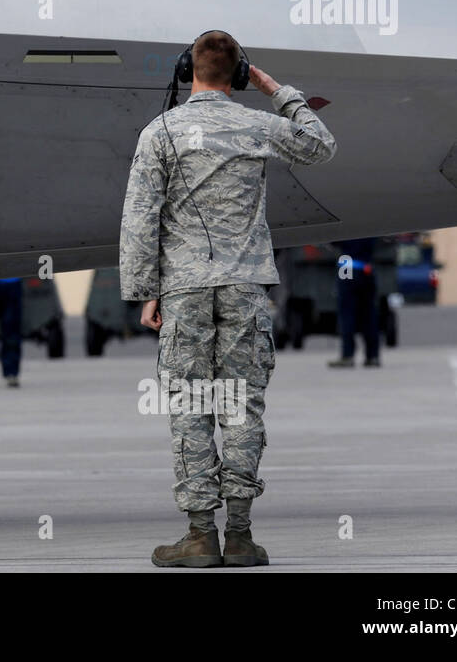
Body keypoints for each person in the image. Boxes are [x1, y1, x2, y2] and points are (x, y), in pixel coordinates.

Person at [120, 31, 336, 568]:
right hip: (245, 289)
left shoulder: (160, 132)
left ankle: (198, 537)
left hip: (184, 289)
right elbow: (320, 144)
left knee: (192, 406)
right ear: (239, 75)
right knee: (240, 403)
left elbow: (140, 220)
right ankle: (239, 536)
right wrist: (274, 89)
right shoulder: (257, 124)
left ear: (185, 70)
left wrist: (146, 292)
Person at [327, 238, 381, 368]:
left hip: (346, 267)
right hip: (366, 268)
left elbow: (334, 241)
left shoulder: (347, 224)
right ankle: (372, 356)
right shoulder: (370, 224)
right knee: (369, 314)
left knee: (347, 314)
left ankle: (347, 356)